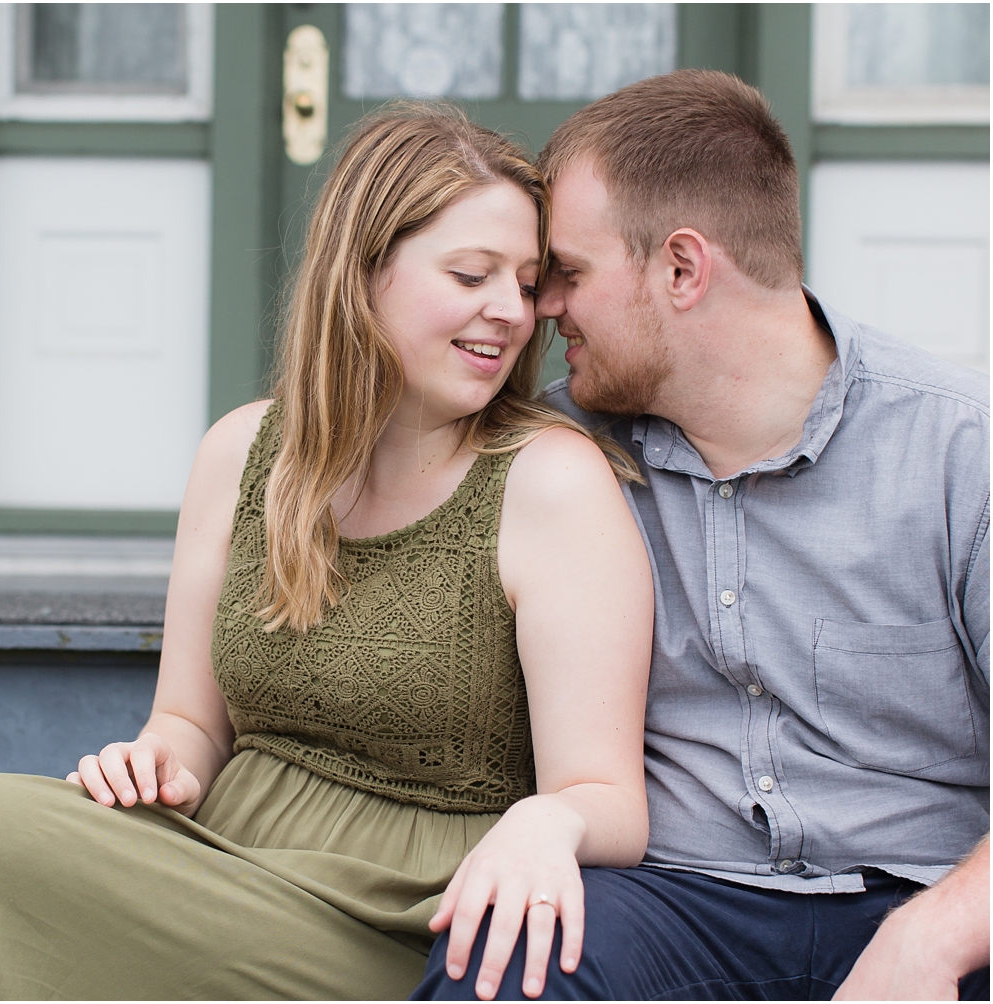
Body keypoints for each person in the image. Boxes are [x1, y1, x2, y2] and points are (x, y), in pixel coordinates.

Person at [0, 105, 654, 1000]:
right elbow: (189, 724)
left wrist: (546, 822)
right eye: (470, 275)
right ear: (363, 275)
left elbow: (607, 797)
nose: (511, 312)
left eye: (527, 286)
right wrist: (155, 762)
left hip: (389, 913)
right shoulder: (246, 454)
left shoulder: (548, 483)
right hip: (211, 858)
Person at [414, 70, 990, 1002]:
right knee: (505, 960)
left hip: (924, 896)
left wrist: (935, 936)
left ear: (683, 269)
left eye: (568, 273)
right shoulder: (557, 458)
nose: (540, 310)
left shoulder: (960, 449)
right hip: (676, 905)